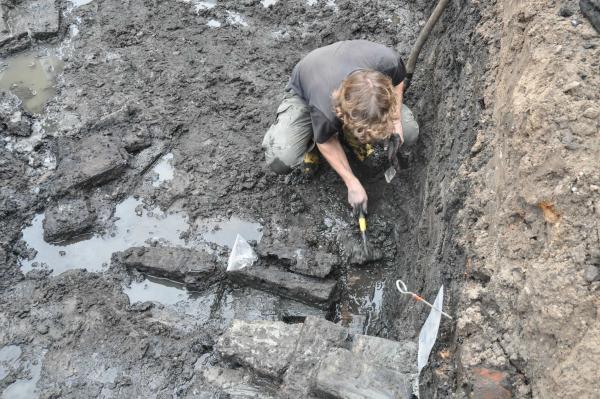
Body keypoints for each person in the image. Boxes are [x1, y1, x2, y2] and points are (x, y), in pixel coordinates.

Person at [262, 40, 419, 214]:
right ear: (342, 114)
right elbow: (326, 142)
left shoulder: (388, 62)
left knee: (409, 131)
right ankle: (311, 143)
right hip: (307, 88)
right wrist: (352, 183)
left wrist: (396, 121)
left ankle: (353, 136)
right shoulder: (325, 110)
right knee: (282, 157)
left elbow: (398, 83)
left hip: (343, 66)